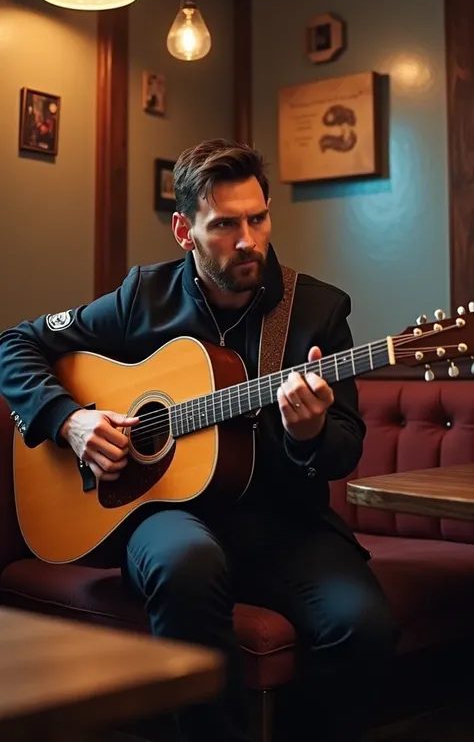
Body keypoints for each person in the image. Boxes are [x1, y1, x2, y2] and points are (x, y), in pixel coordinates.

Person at [0, 139, 397, 742]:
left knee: (362, 625)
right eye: (225, 225)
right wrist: (70, 421)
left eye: (258, 218)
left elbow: (346, 448)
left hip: (282, 523)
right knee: (188, 561)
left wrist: (310, 433)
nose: (248, 240)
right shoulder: (143, 297)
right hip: (166, 516)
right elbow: (15, 344)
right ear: (185, 229)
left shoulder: (315, 310)